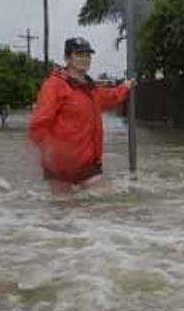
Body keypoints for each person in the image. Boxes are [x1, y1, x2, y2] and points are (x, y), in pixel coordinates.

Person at [27, 37, 132, 194]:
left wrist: (125, 87)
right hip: (60, 165)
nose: (85, 59)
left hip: (88, 163)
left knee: (106, 200)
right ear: (68, 58)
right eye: (80, 54)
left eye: (88, 55)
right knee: (63, 210)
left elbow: (110, 97)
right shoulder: (54, 86)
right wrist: (52, 155)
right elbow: (38, 126)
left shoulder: (91, 88)